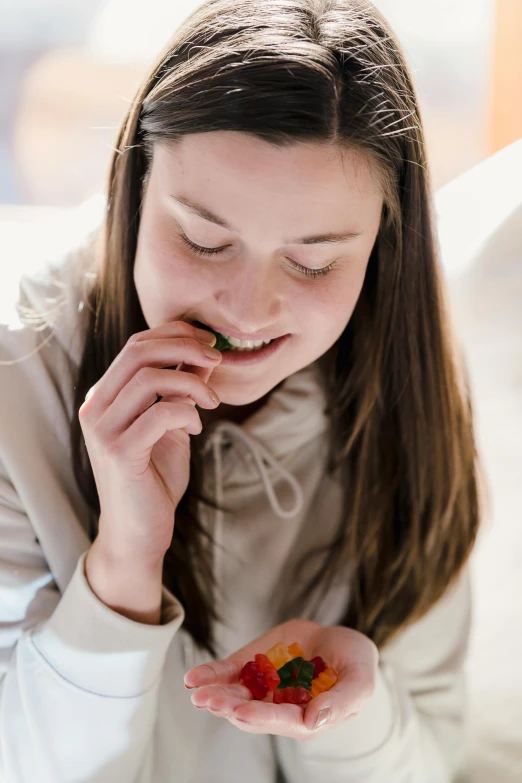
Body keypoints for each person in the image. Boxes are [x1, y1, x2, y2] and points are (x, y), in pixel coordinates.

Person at [0, 0, 484, 781]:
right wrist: (124, 563)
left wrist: (352, 707)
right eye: (203, 239)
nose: (248, 309)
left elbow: (437, 760)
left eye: (313, 262)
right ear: (134, 189)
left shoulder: (406, 402)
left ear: (381, 251)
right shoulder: (13, 382)